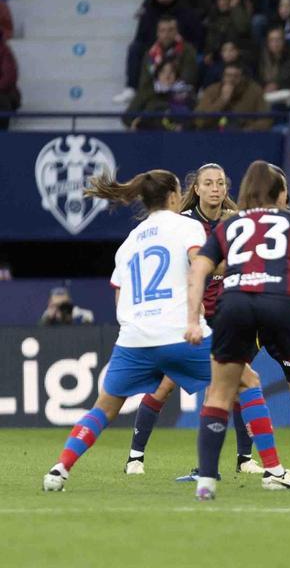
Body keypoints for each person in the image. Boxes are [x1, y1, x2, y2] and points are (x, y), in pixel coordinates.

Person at [186, 161, 290, 500]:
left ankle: (206, 482)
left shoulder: (229, 224)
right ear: (280, 194)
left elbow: (199, 269)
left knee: (219, 393)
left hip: (233, 304)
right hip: (283, 300)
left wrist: (192, 318)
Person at [42, 171, 210, 491]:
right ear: (174, 197)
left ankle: (60, 467)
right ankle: (271, 469)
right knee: (245, 380)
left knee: (104, 407)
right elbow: (198, 266)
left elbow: (119, 290)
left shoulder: (130, 240)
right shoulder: (188, 226)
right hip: (178, 329)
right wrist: (196, 311)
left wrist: (130, 324)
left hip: (134, 338)